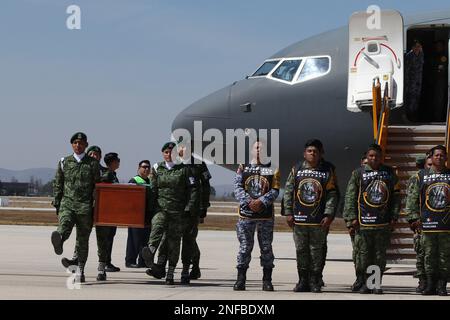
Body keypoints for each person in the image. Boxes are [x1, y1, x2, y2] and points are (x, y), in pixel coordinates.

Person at [150, 141, 211, 284]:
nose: (182, 150)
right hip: (174, 208)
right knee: (168, 238)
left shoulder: (198, 164)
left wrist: (203, 208)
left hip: (191, 210)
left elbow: (205, 186)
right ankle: (160, 266)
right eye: (180, 147)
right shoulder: (172, 164)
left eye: (185, 147)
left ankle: (188, 269)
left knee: (189, 240)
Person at [343, 144, 401, 294]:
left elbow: (396, 197)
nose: (374, 158)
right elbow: (350, 197)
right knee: (364, 256)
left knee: (379, 256)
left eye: (377, 156)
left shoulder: (389, 173)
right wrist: (351, 218)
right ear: (367, 157)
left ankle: (375, 283)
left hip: (382, 224)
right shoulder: (358, 173)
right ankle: (364, 282)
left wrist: (394, 215)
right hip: (364, 224)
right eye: (371, 156)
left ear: (381, 157)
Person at [283, 139, 338, 293]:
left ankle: (315, 281)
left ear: (320, 154)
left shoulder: (328, 170)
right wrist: (288, 212)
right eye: (309, 151)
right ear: (304, 153)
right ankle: (302, 280)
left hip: (318, 221)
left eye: (315, 151)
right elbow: (288, 191)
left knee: (316, 252)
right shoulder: (297, 169)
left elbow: (332, 194)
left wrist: (329, 214)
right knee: (301, 251)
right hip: (299, 220)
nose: (312, 153)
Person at [141, 142, 199, 285]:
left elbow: (193, 190)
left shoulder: (185, 170)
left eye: (171, 152)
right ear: (163, 153)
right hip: (161, 208)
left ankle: (171, 273)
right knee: (157, 226)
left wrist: (189, 208)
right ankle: (151, 250)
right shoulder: (157, 168)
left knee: (174, 242)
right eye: (166, 152)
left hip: (178, 212)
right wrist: (149, 209)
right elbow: (153, 189)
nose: (168, 154)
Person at [51, 132, 100, 283]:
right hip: (68, 203)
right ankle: (59, 239)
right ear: (71, 145)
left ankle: (80, 271)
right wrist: (58, 204)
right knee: (64, 224)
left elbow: (97, 186)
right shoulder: (64, 162)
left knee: (82, 241)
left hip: (85, 207)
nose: (78, 145)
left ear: (85, 145)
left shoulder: (92, 164)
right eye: (75, 143)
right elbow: (58, 184)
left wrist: (95, 206)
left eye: (81, 143)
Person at [233, 140, 280, 291]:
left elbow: (275, 189)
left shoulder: (272, 168)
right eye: (256, 147)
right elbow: (238, 187)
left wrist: (262, 201)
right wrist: (249, 201)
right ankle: (241, 279)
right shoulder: (243, 167)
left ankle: (267, 280)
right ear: (252, 150)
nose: (259, 150)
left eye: (262, 148)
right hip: (246, 215)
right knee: (245, 247)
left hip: (265, 215)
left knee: (266, 247)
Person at [405, 145, 450, 296]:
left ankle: (442, 285)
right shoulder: (421, 176)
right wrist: (413, 218)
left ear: (446, 158)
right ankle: (430, 284)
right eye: (436, 155)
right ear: (431, 158)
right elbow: (412, 199)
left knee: (445, 256)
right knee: (428, 255)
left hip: (446, 225)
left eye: (442, 155)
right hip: (428, 224)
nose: (439, 158)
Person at [60, 145, 105, 269]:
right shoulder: (85, 166)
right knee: (82, 238)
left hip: (100, 212)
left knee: (102, 240)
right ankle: (76, 261)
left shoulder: (105, 172)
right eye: (91, 154)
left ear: (100, 157)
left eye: (96, 155)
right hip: (86, 208)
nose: (93, 157)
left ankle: (102, 266)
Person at [95, 152, 121, 281]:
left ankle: (107, 261)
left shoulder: (112, 174)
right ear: (112, 162)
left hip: (112, 212)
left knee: (110, 238)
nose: (119, 162)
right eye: (117, 160)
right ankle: (104, 263)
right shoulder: (107, 174)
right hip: (106, 213)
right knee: (106, 239)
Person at [125, 160, 153, 268]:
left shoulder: (150, 181)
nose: (146, 169)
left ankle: (143, 261)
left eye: (148, 167)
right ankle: (130, 260)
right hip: (135, 215)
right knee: (134, 239)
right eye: (144, 167)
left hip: (146, 215)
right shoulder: (134, 180)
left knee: (145, 239)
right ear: (139, 168)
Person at [404, 40, 424, 122]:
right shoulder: (409, 56)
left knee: (416, 98)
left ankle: (414, 115)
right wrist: (407, 83)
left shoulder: (421, 55)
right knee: (410, 99)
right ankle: (409, 116)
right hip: (411, 82)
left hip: (418, 81)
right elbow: (407, 71)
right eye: (416, 46)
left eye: (419, 46)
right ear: (412, 47)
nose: (417, 48)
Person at [431, 41, 448, 122]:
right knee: (436, 100)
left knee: (439, 100)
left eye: (439, 46)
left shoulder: (443, 56)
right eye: (437, 46)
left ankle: (438, 118)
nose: (438, 47)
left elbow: (441, 69)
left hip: (440, 80)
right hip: (435, 80)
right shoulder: (436, 55)